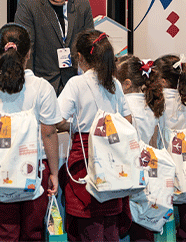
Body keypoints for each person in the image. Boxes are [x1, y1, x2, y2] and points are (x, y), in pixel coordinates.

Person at [0, 23, 61, 242]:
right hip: (34, 170)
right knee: (32, 234)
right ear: (28, 53)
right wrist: (54, 173)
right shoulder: (42, 87)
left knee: (2, 233)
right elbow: (49, 133)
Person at [57, 30, 132, 242]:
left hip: (85, 156)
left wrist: (74, 126)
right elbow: (127, 119)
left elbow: (57, 119)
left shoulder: (76, 84)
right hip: (112, 157)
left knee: (88, 222)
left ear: (80, 57)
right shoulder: (115, 84)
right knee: (110, 224)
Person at [14, 0, 94, 95]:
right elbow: (26, 48)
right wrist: (29, 86)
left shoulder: (82, 4)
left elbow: (90, 45)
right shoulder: (28, 5)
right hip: (41, 83)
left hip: (75, 84)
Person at [116, 54, 164, 242]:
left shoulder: (124, 105)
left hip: (128, 170)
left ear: (127, 84)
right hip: (147, 168)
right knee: (143, 226)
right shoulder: (150, 103)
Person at [155, 54, 186, 242]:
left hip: (166, 153)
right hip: (185, 153)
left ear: (163, 81)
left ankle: (166, 235)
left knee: (165, 196)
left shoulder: (160, 100)